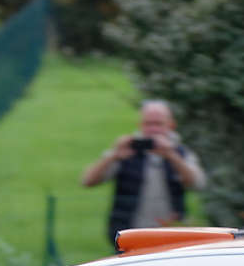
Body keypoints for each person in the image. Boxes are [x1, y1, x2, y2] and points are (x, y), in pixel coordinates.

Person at [81, 100, 208, 250]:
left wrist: (172, 156)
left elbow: (198, 183)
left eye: (158, 124)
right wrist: (114, 155)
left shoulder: (179, 152)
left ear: (171, 125)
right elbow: (88, 181)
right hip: (130, 236)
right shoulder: (128, 150)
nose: (153, 129)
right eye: (148, 124)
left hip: (171, 235)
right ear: (140, 125)